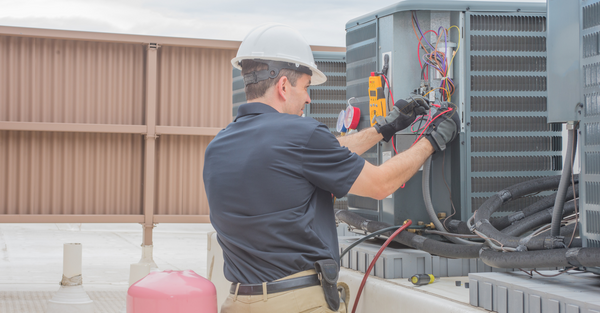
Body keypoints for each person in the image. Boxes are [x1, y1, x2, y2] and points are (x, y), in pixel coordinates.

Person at [203, 23, 460, 313]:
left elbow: (318, 155)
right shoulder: (300, 134)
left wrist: (384, 128)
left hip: (237, 300)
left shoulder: (218, 146)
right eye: (306, 88)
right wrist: (432, 139)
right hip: (296, 303)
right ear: (284, 87)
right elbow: (380, 184)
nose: (309, 99)